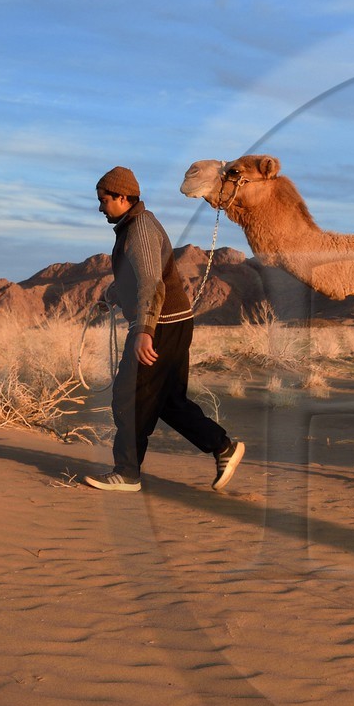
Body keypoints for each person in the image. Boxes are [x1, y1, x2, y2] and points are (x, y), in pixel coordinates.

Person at [85, 166, 243, 493]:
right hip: (172, 323)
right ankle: (222, 446)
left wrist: (144, 330)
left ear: (123, 197)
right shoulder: (134, 226)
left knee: (129, 398)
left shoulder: (140, 229)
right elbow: (139, 278)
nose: (101, 207)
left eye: (104, 200)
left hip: (161, 326)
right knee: (168, 400)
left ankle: (126, 473)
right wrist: (112, 297)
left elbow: (151, 283)